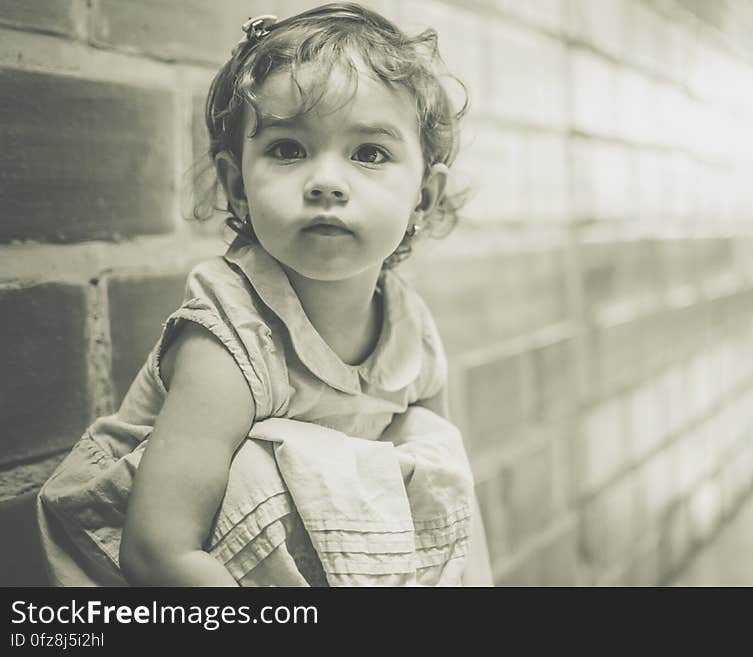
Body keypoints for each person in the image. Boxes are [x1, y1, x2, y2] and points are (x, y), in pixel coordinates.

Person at [36, 3, 492, 587]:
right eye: (287, 149)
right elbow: (156, 552)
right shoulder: (230, 338)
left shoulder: (410, 328)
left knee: (434, 445)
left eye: (369, 153)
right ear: (237, 187)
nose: (326, 180)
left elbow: (443, 502)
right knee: (256, 464)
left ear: (423, 200)